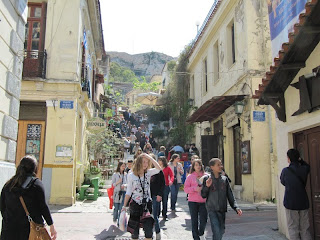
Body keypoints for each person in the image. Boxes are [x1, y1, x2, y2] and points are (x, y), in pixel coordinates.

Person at [0, 155, 57, 240]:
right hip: (29, 230)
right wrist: (51, 225)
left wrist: (9, 219)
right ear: (34, 168)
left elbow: (2, 206)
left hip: (9, 230)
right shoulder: (36, 184)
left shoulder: (9, 184)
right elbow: (43, 207)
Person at [122, 153, 162, 240]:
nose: (146, 164)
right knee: (135, 233)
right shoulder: (131, 175)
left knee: (149, 232)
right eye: (143, 162)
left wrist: (149, 157)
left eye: (147, 162)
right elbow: (129, 191)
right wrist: (124, 206)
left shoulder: (148, 173)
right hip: (135, 205)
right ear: (138, 163)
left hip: (147, 205)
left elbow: (159, 169)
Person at [201, 158, 242, 240]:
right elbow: (203, 195)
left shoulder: (224, 179)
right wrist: (207, 187)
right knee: (216, 230)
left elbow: (230, 195)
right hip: (212, 209)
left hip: (222, 209)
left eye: (221, 164)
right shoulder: (207, 179)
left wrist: (236, 207)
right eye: (218, 165)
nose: (221, 166)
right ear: (212, 167)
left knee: (221, 230)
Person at [280, 149, 312, 240]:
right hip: (303, 202)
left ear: (288, 158)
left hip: (290, 202)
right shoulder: (304, 169)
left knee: (293, 228)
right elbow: (307, 166)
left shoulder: (285, 171)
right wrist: (300, 160)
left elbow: (283, 182)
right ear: (298, 158)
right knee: (305, 228)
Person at [184, 159, 207, 240]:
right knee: (194, 220)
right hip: (193, 201)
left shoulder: (206, 176)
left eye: (199, 165)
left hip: (203, 201)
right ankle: (196, 238)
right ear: (193, 167)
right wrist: (194, 188)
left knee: (204, 219)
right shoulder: (190, 176)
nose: (198, 167)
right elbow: (186, 189)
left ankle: (201, 232)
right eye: (196, 165)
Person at [150, 154, 165, 240]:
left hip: (155, 195)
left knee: (154, 215)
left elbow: (162, 184)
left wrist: (160, 194)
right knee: (147, 216)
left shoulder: (159, 171)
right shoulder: (145, 171)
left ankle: (158, 232)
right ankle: (149, 233)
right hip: (147, 196)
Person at [158, 156, 174, 221]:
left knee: (165, 201)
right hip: (158, 186)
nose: (159, 161)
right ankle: (157, 214)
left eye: (160, 160)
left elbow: (172, 175)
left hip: (165, 186)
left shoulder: (167, 168)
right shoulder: (157, 168)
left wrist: (171, 181)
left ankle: (164, 214)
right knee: (157, 201)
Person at [111, 162, 127, 226]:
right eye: (122, 166)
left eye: (124, 166)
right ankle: (115, 217)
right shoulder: (115, 174)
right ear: (119, 166)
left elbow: (127, 183)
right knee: (116, 208)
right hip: (116, 193)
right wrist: (118, 182)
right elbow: (112, 184)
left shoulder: (125, 174)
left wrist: (124, 185)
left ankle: (119, 222)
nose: (123, 167)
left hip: (123, 192)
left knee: (121, 208)